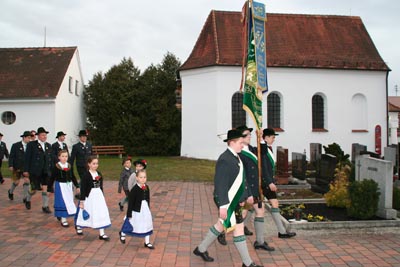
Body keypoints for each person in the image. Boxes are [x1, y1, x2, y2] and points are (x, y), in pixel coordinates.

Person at [193, 129, 263, 267]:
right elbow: (221, 185)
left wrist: (248, 194)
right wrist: (223, 206)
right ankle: (247, 263)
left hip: (234, 199)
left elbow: (242, 179)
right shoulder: (225, 159)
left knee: (221, 225)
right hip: (227, 200)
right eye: (240, 143)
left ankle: (200, 249)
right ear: (231, 142)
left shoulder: (236, 156)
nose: (242, 145)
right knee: (239, 229)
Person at [218, 126, 275, 251]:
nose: (250, 136)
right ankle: (221, 230)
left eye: (250, 134)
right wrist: (246, 193)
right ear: (240, 139)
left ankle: (259, 241)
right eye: (247, 135)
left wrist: (260, 138)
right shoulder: (239, 153)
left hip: (255, 188)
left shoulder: (252, 149)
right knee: (241, 213)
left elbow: (263, 152)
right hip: (247, 187)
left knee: (258, 212)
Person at [261, 128, 296, 239]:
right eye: (272, 137)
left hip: (267, 181)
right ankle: (282, 232)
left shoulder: (268, 148)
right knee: (273, 204)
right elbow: (264, 168)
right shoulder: (263, 149)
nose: (274, 139)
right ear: (265, 137)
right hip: (265, 182)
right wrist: (269, 182)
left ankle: (282, 231)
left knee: (251, 209)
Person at [75, 156, 111, 241]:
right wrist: (82, 200)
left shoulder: (99, 173)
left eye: (97, 163)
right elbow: (83, 189)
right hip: (89, 196)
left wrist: (102, 195)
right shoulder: (86, 175)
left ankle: (102, 233)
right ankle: (79, 226)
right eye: (93, 163)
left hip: (98, 195)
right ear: (89, 164)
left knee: (100, 212)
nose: (95, 165)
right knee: (86, 211)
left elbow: (101, 186)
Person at [119, 169, 154, 249]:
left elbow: (147, 198)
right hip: (136, 209)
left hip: (145, 208)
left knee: (147, 223)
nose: (143, 179)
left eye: (145, 177)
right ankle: (123, 233)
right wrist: (129, 213)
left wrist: (148, 208)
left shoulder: (146, 187)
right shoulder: (134, 189)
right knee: (133, 224)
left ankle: (147, 242)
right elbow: (131, 202)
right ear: (137, 178)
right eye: (141, 177)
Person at [23, 127, 53, 212]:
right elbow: (27, 158)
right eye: (43, 135)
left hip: (45, 171)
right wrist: (26, 170)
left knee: (45, 188)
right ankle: (28, 199)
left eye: (45, 135)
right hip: (35, 171)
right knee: (34, 190)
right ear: (38, 136)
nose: (44, 136)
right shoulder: (31, 145)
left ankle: (45, 206)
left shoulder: (48, 145)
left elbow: (50, 158)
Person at [49, 150, 80, 227]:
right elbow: (52, 177)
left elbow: (72, 176)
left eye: (66, 156)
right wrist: (50, 187)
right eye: (62, 156)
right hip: (60, 186)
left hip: (68, 186)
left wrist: (77, 186)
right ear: (59, 157)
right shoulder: (56, 167)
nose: (64, 158)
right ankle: (63, 218)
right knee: (62, 201)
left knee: (68, 200)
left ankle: (64, 215)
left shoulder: (69, 166)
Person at [8, 131, 31, 201]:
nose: (29, 139)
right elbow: (11, 156)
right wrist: (11, 165)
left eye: (30, 138)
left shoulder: (31, 146)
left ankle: (25, 197)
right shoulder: (15, 145)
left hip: (26, 167)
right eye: (28, 138)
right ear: (24, 137)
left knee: (27, 181)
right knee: (16, 182)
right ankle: (10, 191)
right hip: (17, 167)